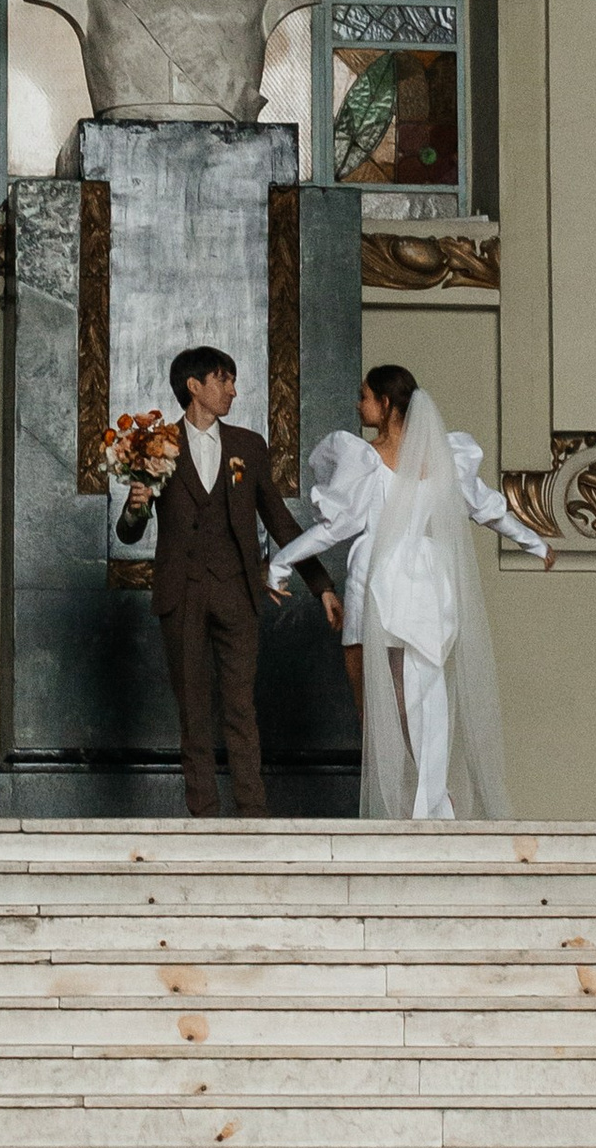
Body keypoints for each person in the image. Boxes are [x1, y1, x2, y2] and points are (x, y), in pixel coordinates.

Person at [267, 365, 550, 821]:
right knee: (397, 696)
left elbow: (336, 528)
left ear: (385, 404)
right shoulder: (398, 459)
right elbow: (485, 509)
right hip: (414, 581)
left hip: (386, 582)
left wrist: (281, 564)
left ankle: (425, 800)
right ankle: (412, 800)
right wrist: (533, 543)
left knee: (400, 696)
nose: (358, 405)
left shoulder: (392, 459)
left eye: (364, 397)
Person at [116, 345, 335, 817]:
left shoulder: (249, 446)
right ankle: (203, 818)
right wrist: (136, 507)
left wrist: (321, 585)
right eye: (224, 379)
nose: (233, 390)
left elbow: (279, 520)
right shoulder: (154, 445)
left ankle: (253, 815)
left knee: (241, 709)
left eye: (232, 380)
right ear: (195, 386)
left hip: (237, 593)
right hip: (181, 595)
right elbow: (128, 532)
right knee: (193, 710)